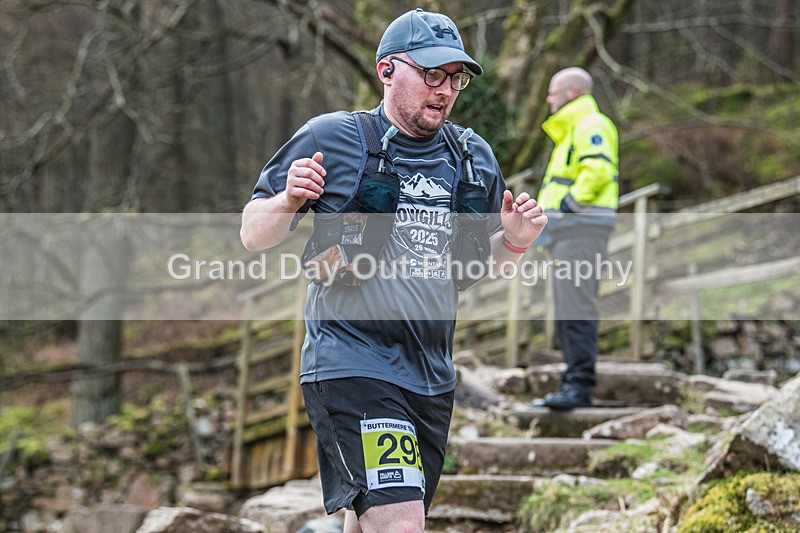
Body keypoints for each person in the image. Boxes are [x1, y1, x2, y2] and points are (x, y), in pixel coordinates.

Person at [240, 8, 547, 533]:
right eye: (431, 74)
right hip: (353, 361)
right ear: (387, 70)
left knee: (371, 521)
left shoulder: (473, 157)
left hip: (430, 374)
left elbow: (470, 267)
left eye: (456, 77)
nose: (445, 90)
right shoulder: (333, 137)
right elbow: (252, 232)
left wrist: (515, 243)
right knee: (401, 523)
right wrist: (289, 200)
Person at [532, 67, 619, 410]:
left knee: (576, 306)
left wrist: (565, 211)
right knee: (568, 306)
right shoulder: (572, 131)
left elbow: (596, 171)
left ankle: (579, 386)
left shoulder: (591, 126)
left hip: (581, 229)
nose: (548, 100)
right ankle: (573, 382)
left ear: (570, 94)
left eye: (553, 93)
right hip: (570, 231)